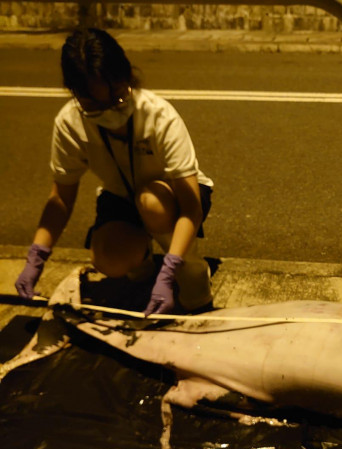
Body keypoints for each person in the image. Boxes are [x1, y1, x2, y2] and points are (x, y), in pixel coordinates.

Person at [14, 27, 214, 316]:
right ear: (75, 93)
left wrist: (170, 270)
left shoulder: (158, 116)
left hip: (175, 198)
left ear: (127, 77)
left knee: (151, 202)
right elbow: (60, 199)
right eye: (93, 104)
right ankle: (144, 269)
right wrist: (37, 256)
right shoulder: (70, 124)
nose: (109, 110)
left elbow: (191, 207)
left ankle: (190, 271)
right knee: (106, 257)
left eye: (118, 97)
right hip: (122, 196)